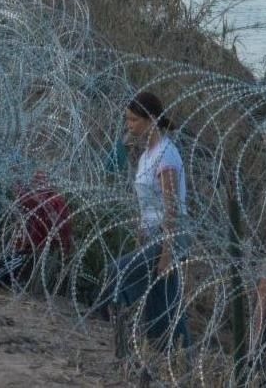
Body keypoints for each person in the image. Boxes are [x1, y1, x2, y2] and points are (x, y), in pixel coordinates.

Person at [99, 91, 190, 352]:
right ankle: (175, 355)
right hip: (153, 235)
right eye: (127, 120)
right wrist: (142, 232)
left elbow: (172, 208)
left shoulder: (166, 156)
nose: (129, 126)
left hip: (168, 235)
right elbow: (148, 204)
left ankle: (118, 338)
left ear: (150, 119)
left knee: (118, 271)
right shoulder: (146, 156)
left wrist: (167, 253)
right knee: (162, 304)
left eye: (133, 120)